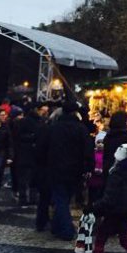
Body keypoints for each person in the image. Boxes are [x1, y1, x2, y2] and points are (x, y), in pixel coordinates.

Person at [36, 99, 93, 241]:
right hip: (75, 170)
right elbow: (88, 150)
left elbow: (41, 149)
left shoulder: (53, 128)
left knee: (60, 198)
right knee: (64, 198)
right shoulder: (81, 129)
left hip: (55, 168)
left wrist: (43, 165)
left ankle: (62, 228)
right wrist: (88, 167)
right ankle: (63, 228)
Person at [13, 101, 46, 206]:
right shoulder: (29, 122)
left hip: (29, 153)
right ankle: (26, 198)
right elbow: (19, 137)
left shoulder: (37, 121)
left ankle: (29, 198)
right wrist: (34, 137)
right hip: (28, 153)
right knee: (27, 177)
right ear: (37, 109)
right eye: (41, 110)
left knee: (30, 177)